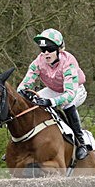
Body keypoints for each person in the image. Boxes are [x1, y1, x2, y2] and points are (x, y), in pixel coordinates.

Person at [17, 28, 89, 160]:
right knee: (31, 103)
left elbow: (69, 94)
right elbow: (23, 85)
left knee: (67, 104)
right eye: (43, 50)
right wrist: (23, 94)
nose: (46, 53)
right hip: (54, 90)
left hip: (75, 90)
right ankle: (20, 143)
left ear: (58, 49)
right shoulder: (38, 62)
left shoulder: (69, 62)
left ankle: (81, 143)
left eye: (49, 49)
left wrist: (51, 102)